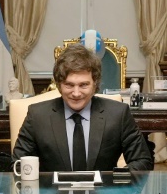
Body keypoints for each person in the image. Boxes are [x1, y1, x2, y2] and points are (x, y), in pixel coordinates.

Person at [13, 43, 153, 172]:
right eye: (69, 85)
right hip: (53, 191)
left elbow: (142, 161)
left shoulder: (118, 114)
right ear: (59, 85)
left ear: (95, 84)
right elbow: (18, 164)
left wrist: (114, 181)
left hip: (104, 190)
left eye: (83, 85)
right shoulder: (37, 116)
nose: (76, 93)